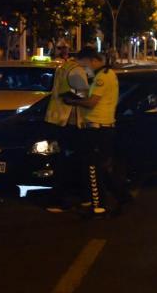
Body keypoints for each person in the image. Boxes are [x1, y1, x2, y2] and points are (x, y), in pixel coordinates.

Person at [63, 47, 128, 218]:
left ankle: (99, 207)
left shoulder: (104, 76)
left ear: (92, 60)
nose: (84, 69)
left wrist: (72, 101)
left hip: (98, 129)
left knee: (93, 168)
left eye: (84, 65)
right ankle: (120, 197)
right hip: (98, 128)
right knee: (99, 168)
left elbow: (92, 102)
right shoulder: (101, 74)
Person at [44, 48, 91, 213]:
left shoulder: (64, 67)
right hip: (68, 122)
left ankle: (74, 196)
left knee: (63, 160)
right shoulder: (77, 71)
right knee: (72, 161)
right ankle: (67, 198)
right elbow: (84, 94)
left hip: (55, 119)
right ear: (86, 59)